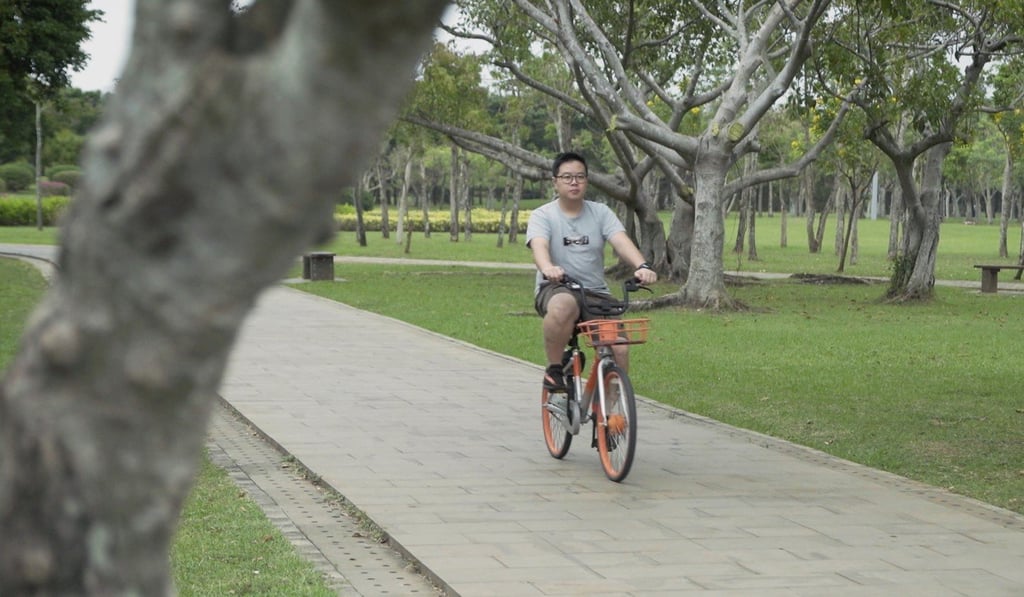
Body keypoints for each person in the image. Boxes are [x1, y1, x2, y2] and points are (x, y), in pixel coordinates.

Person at [526, 152, 658, 392]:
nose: (574, 182)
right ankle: (555, 370)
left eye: (579, 177)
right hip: (557, 287)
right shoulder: (542, 215)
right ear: (555, 181)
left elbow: (621, 241)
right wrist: (547, 268)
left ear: (587, 181)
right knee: (564, 305)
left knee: (618, 348)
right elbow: (539, 246)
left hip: (595, 293)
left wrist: (642, 266)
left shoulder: (601, 213)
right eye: (567, 177)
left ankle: (611, 414)